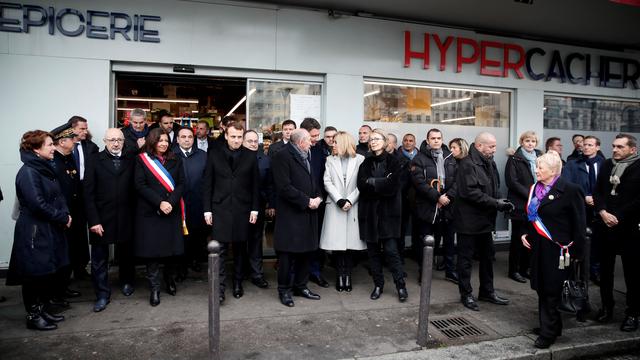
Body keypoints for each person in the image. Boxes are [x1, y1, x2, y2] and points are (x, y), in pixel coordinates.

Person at [7, 130, 71, 330]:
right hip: (34, 230)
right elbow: (37, 204)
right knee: (34, 275)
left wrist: (65, 214)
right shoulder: (29, 172)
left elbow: (56, 196)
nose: (54, 148)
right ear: (36, 149)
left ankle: (42, 309)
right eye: (50, 145)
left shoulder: (42, 168)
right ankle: (34, 315)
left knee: (45, 272)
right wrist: (62, 217)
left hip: (47, 228)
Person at [521, 151, 586, 349]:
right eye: (537, 166)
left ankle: (548, 332)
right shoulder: (536, 189)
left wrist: (577, 254)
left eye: (540, 167)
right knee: (541, 287)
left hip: (559, 251)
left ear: (553, 170)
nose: (536, 170)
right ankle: (551, 325)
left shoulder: (570, 190)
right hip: (538, 247)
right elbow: (533, 216)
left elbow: (579, 224)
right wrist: (525, 233)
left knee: (551, 289)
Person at [454, 132, 513, 311]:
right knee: (465, 261)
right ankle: (466, 294)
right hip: (468, 221)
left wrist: (501, 201)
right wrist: (496, 203)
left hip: (485, 220)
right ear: (479, 146)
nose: (494, 150)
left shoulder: (490, 162)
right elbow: (470, 193)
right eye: (491, 146)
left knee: (487, 258)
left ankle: (487, 291)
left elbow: (495, 188)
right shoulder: (467, 164)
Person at [203, 122, 259, 303]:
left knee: (240, 249)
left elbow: (255, 186)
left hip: (243, 209)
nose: (236, 140)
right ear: (226, 136)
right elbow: (208, 184)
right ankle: (219, 289)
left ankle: (237, 283)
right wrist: (207, 210)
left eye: (239, 137)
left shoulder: (251, 155)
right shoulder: (213, 154)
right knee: (220, 250)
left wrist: (255, 209)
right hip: (220, 209)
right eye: (233, 136)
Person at [83, 128, 136, 312]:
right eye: (112, 140)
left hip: (126, 216)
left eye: (119, 140)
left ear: (124, 141)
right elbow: (88, 194)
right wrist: (94, 220)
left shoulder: (131, 159)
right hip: (101, 218)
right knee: (99, 259)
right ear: (105, 141)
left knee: (127, 254)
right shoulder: (94, 160)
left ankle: (127, 282)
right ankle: (102, 294)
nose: (115, 143)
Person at [593, 133, 640, 332]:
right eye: (613, 146)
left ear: (632, 149)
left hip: (629, 227)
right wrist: (603, 212)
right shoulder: (606, 165)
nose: (615, 149)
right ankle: (606, 307)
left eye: (620, 147)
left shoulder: (638, 167)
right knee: (605, 271)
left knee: (633, 273)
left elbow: (638, 199)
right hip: (605, 226)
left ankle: (633, 313)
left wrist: (617, 215)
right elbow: (598, 192)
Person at [134, 128, 185, 306]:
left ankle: (169, 280)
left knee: (171, 251)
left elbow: (180, 184)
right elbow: (140, 185)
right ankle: (155, 288)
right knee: (153, 253)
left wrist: (170, 202)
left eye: (165, 141)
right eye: (159, 140)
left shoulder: (175, 159)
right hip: (151, 212)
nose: (163, 144)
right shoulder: (142, 160)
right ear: (152, 142)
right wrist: (159, 202)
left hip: (171, 210)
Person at [271, 129, 322, 307]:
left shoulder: (307, 154)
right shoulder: (282, 156)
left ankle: (301, 286)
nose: (312, 142)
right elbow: (284, 187)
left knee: (306, 253)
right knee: (287, 255)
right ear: (300, 142)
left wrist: (318, 198)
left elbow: (313, 180)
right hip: (291, 215)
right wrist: (307, 201)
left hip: (309, 213)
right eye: (309, 140)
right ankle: (284, 290)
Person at [357, 129, 407, 302]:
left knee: (392, 251)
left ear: (385, 142)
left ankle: (401, 286)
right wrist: (381, 183)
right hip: (370, 213)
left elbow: (393, 187)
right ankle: (378, 285)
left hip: (388, 213)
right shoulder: (365, 162)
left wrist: (373, 182)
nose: (373, 141)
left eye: (376, 139)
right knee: (373, 253)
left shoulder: (395, 161)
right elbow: (361, 186)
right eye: (371, 139)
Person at [320, 131, 366, 292]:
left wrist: (350, 200)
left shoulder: (360, 160)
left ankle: (348, 275)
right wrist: (339, 199)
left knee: (350, 245)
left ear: (344, 143)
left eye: (335, 142)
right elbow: (327, 182)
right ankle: (340, 276)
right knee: (338, 245)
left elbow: (362, 184)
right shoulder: (329, 160)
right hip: (335, 205)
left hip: (353, 205)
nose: (333, 144)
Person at [411, 128, 458, 284]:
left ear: (442, 139)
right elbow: (419, 183)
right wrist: (437, 197)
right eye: (433, 138)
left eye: (439, 138)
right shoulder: (419, 158)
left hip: (448, 204)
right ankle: (424, 274)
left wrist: (448, 196)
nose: (436, 140)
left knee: (449, 240)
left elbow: (458, 181)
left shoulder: (450, 157)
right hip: (428, 205)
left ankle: (450, 271)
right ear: (428, 140)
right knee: (427, 241)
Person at [563, 136, 605, 285]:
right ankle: (574, 274)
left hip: (599, 211)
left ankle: (595, 271)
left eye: (590, 145)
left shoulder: (604, 165)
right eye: (584, 144)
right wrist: (584, 198)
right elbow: (566, 186)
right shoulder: (572, 164)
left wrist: (598, 199)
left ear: (597, 147)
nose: (586, 147)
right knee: (577, 240)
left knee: (598, 243)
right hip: (579, 209)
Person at [50, 124, 83, 303]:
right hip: (61, 216)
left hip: (73, 214)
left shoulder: (67, 158)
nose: (75, 142)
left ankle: (63, 288)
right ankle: (55, 293)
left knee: (69, 253)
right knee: (59, 255)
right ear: (62, 142)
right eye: (72, 139)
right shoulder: (53, 161)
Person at [505, 131, 543, 283]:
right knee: (517, 239)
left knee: (531, 237)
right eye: (527, 141)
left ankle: (525, 268)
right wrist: (531, 193)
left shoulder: (540, 157)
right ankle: (513, 270)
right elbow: (512, 182)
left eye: (533, 141)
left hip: (536, 204)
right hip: (521, 204)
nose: (530, 144)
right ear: (521, 142)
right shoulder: (514, 159)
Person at [173, 127, 208, 280]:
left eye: (189, 137)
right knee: (180, 237)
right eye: (183, 137)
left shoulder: (203, 156)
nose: (187, 139)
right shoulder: (171, 155)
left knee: (198, 235)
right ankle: (181, 267)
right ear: (177, 139)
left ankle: (196, 260)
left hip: (198, 202)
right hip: (178, 203)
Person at [300, 117, 330, 288]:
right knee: (300, 240)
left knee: (317, 240)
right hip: (299, 203)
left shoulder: (319, 151)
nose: (316, 139)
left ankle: (315, 271)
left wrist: (319, 198)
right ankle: (298, 273)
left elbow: (322, 178)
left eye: (318, 135)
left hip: (318, 203)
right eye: (313, 135)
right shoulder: (293, 150)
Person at [243, 130, 274, 289]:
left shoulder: (265, 160)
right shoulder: (235, 158)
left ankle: (257, 274)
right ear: (243, 142)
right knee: (240, 241)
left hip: (259, 206)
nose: (253, 144)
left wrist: (270, 204)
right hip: (239, 207)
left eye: (256, 141)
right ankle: (240, 272)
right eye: (250, 141)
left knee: (256, 240)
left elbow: (270, 185)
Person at [398, 133, 419, 262]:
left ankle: (417, 254)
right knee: (401, 229)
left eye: (411, 140)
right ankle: (400, 257)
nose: (408, 142)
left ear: (414, 143)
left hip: (417, 199)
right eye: (405, 140)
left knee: (417, 229)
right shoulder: (397, 156)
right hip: (403, 198)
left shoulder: (421, 156)